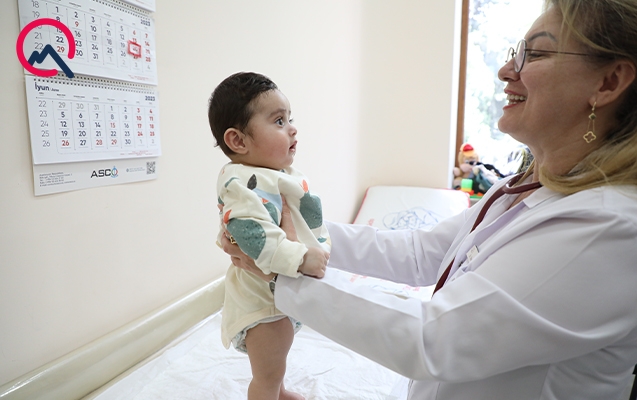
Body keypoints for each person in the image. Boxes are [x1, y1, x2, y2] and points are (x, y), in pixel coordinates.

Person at [220, 1, 637, 399]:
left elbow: (435, 339)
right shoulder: (524, 187)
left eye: (538, 54)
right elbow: (422, 253)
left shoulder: (610, 227)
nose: (506, 70)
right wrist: (291, 233)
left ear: (608, 82)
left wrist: (280, 271)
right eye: (517, 53)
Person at [208, 72, 330, 400]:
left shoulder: (272, 175)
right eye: (278, 121)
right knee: (267, 371)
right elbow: (253, 236)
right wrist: (303, 258)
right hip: (261, 300)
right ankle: (270, 391)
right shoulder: (241, 184)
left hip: (275, 293)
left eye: (290, 119)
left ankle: (279, 391)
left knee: (277, 359)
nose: (292, 128)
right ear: (238, 141)